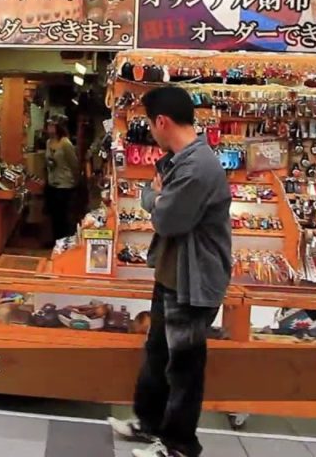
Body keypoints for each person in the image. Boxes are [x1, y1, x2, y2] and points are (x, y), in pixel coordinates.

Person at [108, 87, 232, 457]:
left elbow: (167, 219)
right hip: (173, 274)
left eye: (149, 122)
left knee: (184, 367)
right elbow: (157, 199)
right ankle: (149, 426)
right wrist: (158, 195)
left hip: (193, 280)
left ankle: (179, 445)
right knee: (158, 355)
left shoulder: (196, 167)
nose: (150, 130)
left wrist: (156, 198)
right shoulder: (181, 159)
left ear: (161, 121)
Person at [44, 115, 79, 242]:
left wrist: (75, 182)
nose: (49, 128)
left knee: (64, 216)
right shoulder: (48, 143)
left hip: (65, 184)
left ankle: (65, 242)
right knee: (54, 215)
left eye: (52, 125)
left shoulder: (65, 143)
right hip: (52, 182)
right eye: (48, 125)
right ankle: (55, 241)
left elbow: (74, 164)